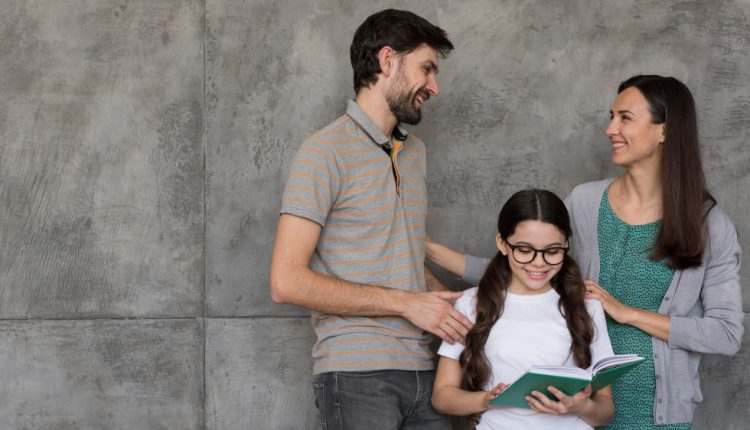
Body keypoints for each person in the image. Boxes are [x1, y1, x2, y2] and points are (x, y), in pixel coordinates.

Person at [426, 75, 744, 429]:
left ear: (664, 131)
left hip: (658, 413)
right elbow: (531, 264)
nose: (610, 128)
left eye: (625, 118)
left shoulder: (708, 224)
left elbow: (726, 333)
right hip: (575, 410)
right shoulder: (586, 202)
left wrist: (628, 314)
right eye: (612, 116)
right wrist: (428, 250)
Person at [269, 9, 471, 430]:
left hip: (424, 371)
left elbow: (399, 260)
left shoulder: (414, 153)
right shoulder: (323, 153)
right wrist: (406, 303)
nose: (434, 87)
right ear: (387, 61)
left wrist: (459, 316)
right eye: (427, 69)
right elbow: (285, 282)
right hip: (355, 375)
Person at [431, 189, 616, 429]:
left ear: (566, 245)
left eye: (552, 251)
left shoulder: (586, 305)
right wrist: (487, 400)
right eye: (525, 250)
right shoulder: (471, 303)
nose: (538, 263)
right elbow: (442, 397)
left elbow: (606, 410)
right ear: (502, 244)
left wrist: (582, 407)